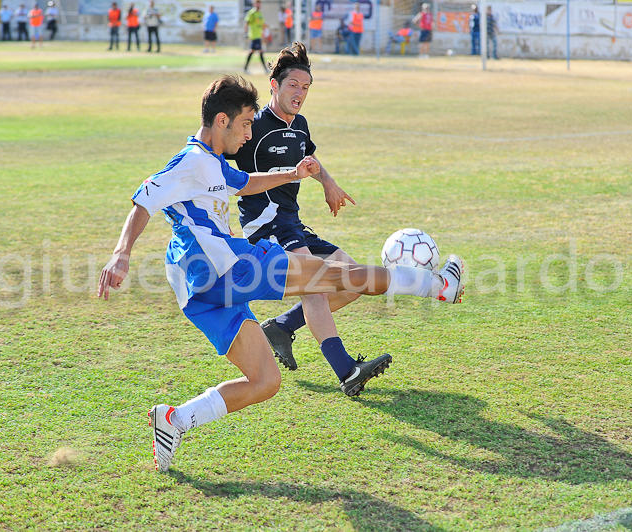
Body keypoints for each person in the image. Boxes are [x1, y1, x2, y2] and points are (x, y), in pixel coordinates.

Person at [97, 75, 465, 472]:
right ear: (222, 121)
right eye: (245, 124)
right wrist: (121, 254)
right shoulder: (191, 161)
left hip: (197, 288)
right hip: (223, 267)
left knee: (265, 381)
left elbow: (244, 183)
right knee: (336, 275)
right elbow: (143, 199)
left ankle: (176, 419)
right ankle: (437, 287)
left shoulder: (212, 161)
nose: (249, 133)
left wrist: (294, 173)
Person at [228, 43, 374, 393]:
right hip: (266, 224)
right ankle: (346, 371)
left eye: (306, 87)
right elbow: (221, 154)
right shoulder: (254, 126)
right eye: (293, 85)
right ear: (274, 86)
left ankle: (281, 326)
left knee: (351, 279)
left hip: (293, 224)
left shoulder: (300, 125)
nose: (300, 93)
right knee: (316, 283)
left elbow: (310, 160)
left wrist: (329, 183)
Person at [243, 0, 266, 74]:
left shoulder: (260, 14)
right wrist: (246, 33)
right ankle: (265, 69)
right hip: (253, 35)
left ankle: (245, 68)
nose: (258, 4)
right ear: (254, 4)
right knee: (259, 51)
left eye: (259, 3)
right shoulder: (252, 13)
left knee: (254, 51)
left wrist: (268, 27)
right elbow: (246, 22)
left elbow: (262, 24)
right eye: (257, 3)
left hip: (258, 35)